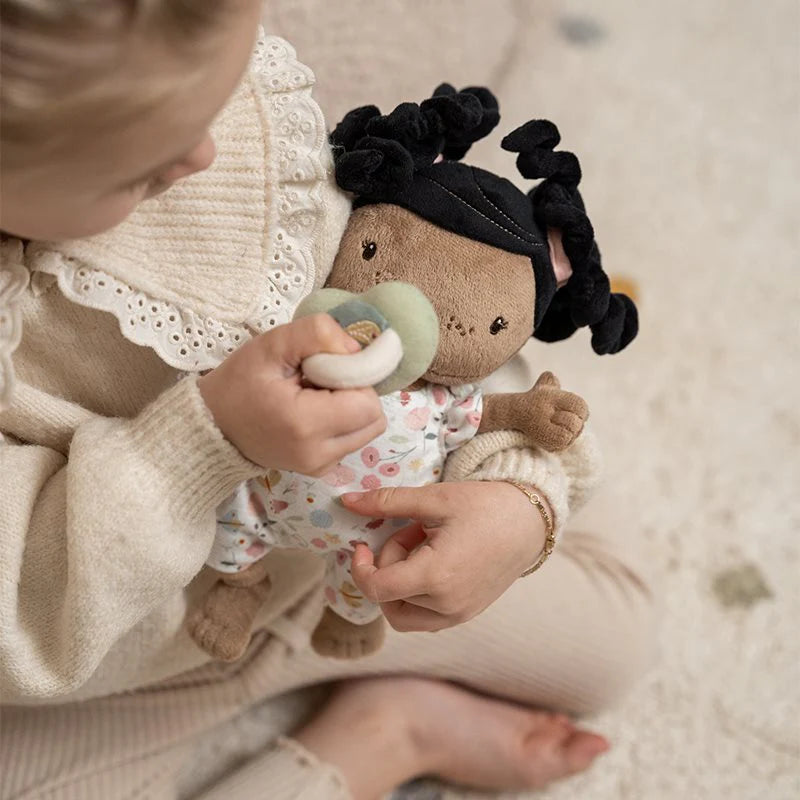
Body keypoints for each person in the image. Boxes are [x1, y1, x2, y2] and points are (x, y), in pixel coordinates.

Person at [0, 2, 657, 798]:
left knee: (617, 639)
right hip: (122, 660)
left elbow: (443, 345)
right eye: (143, 167)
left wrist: (520, 501)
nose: (204, 155)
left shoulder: (232, 148)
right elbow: (21, 620)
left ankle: (306, 686)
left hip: (351, 571)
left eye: (213, 106)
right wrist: (208, 439)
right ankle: (385, 734)